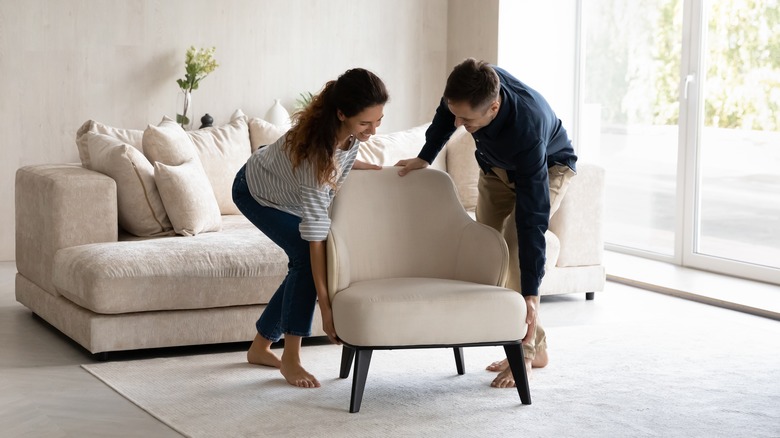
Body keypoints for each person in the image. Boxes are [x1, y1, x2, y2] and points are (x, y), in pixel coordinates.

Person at [395, 58, 577, 388]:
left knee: (514, 244)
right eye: (457, 114)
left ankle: (524, 351)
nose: (459, 123)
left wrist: (532, 293)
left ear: (494, 108)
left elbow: (531, 221)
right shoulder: (469, 86)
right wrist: (425, 155)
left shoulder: (528, 130)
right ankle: (538, 346)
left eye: (467, 119)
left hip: (547, 168)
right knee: (489, 251)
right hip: (495, 168)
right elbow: (444, 116)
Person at [232, 68, 388, 388]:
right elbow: (315, 236)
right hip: (255, 190)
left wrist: (368, 166)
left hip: (285, 188)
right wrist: (326, 309)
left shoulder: (350, 134)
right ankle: (291, 358)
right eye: (365, 123)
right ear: (342, 114)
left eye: (378, 121)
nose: (372, 130)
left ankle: (260, 346)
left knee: (307, 257)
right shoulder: (317, 157)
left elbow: (340, 158)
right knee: (305, 254)